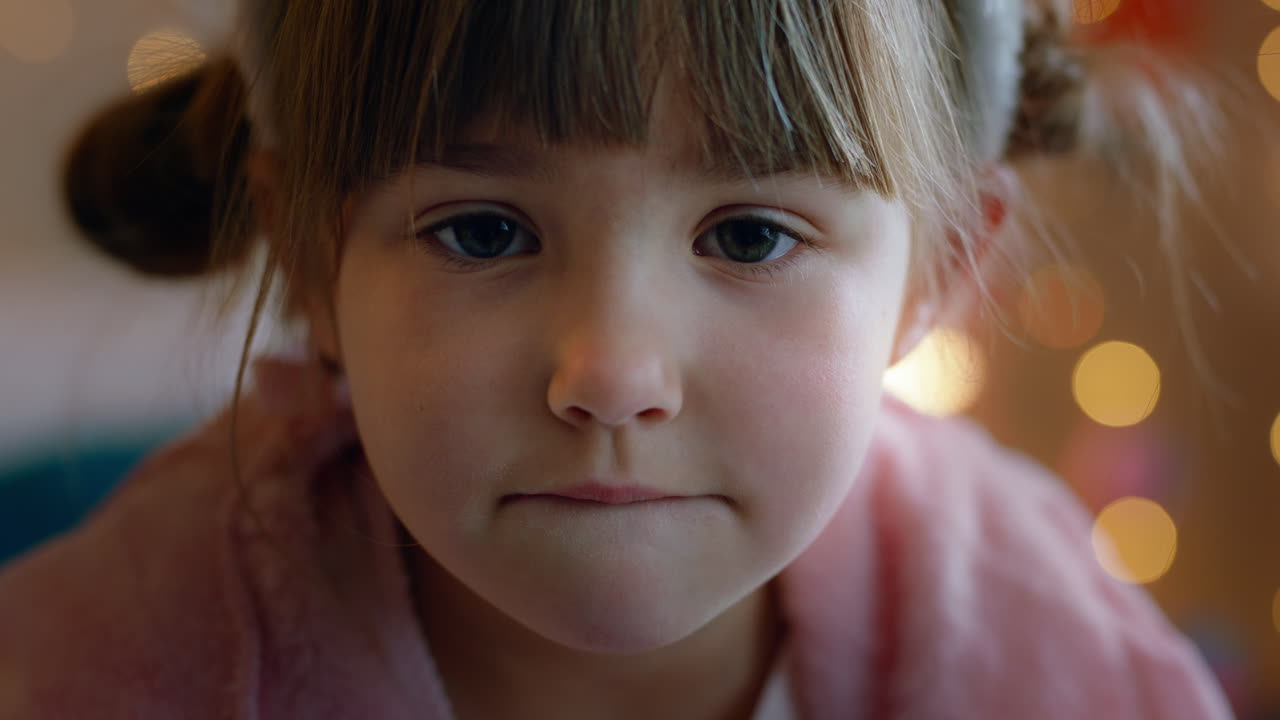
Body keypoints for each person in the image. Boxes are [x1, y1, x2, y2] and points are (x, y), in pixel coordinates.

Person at [0, 0, 1237, 718]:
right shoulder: (119, 661)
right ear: (312, 262)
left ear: (940, 272)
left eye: (748, 236)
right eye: (483, 232)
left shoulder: (1049, 661)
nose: (608, 374)